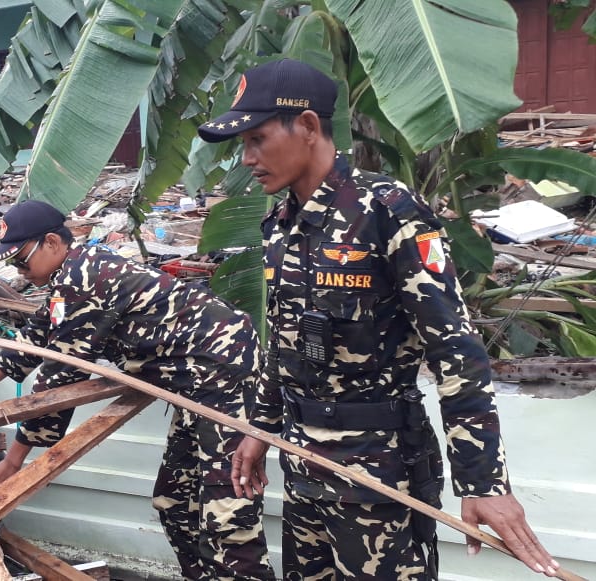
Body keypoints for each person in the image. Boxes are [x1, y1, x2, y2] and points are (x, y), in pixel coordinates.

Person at [197, 58, 559, 580]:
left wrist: (484, 482)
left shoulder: (389, 213)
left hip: (381, 480)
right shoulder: (280, 224)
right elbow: (283, 342)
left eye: (257, 139)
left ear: (307, 126)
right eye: (243, 144)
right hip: (304, 469)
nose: (248, 159)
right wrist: (261, 428)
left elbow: (456, 351)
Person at [0, 200, 275, 580]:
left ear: (51, 242)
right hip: (195, 388)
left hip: (224, 381)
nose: (20, 272)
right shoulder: (69, 278)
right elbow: (30, 343)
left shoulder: (84, 279)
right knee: (175, 504)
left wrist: (14, 460)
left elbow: (58, 377)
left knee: (229, 521)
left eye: (21, 261)